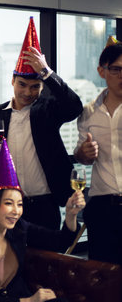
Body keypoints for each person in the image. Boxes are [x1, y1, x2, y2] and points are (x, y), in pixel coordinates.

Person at [0, 17, 83, 230]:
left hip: (46, 203)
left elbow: (74, 107)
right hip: (9, 205)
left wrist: (46, 72)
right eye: (22, 84)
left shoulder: (47, 110)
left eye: (35, 87)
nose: (27, 92)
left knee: (46, 259)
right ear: (12, 80)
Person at [0, 139, 85, 302]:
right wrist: (29, 301)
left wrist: (71, 214)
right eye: (8, 203)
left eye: (20, 204)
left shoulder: (20, 229)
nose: (16, 211)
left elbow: (60, 241)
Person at [74, 39, 122, 265]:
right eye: (116, 69)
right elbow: (81, 156)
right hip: (103, 207)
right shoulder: (88, 112)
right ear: (102, 71)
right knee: (102, 278)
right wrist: (84, 152)